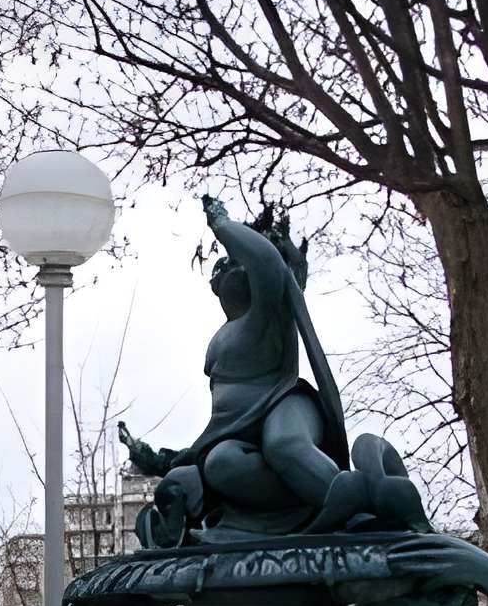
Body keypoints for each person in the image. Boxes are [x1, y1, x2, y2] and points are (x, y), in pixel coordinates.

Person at [120, 197, 424, 542]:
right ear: (215, 286)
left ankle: (358, 513)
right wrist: (156, 457)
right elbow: (220, 425)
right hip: (246, 431)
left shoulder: (265, 312)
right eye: (225, 267)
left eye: (239, 264)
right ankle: (307, 510)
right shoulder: (223, 337)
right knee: (220, 462)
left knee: (284, 443)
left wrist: (221, 224)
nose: (233, 269)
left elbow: (265, 262)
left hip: (287, 405)